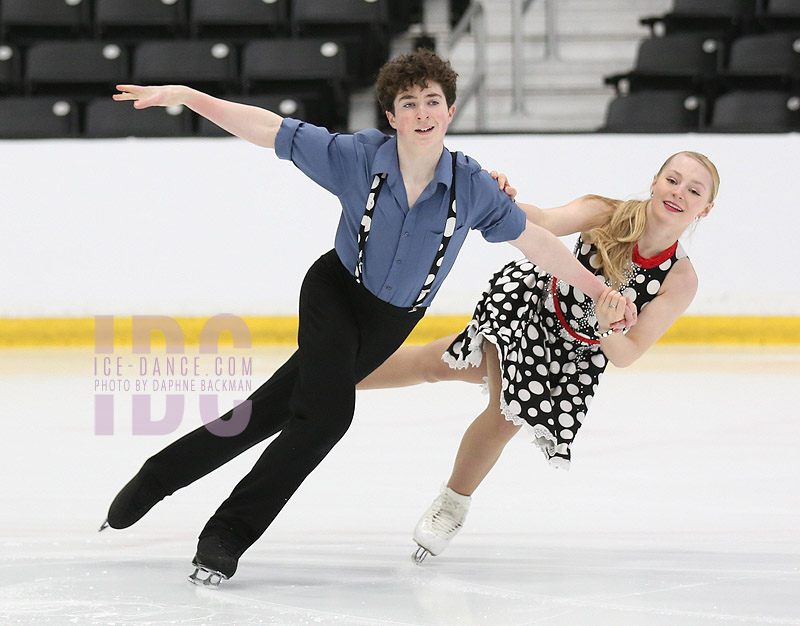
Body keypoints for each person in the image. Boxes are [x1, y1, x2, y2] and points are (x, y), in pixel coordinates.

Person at [101, 49, 623, 587]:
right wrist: (188, 97)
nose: (422, 112)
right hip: (333, 293)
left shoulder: (473, 187)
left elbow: (536, 242)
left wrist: (598, 290)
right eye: (408, 103)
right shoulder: (357, 157)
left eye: (433, 101)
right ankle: (226, 537)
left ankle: (155, 477)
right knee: (326, 418)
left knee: (266, 412)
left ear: (450, 111)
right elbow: (268, 129)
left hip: (389, 324)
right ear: (392, 116)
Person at [357, 150, 719, 562]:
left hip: (570, 358)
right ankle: (453, 505)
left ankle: (329, 377)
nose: (678, 193)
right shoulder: (606, 213)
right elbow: (543, 221)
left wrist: (606, 328)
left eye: (694, 191)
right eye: (672, 180)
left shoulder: (680, 279)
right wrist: (497, 201)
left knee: (434, 365)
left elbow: (627, 352)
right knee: (508, 411)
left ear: (705, 209)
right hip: (531, 308)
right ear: (655, 181)